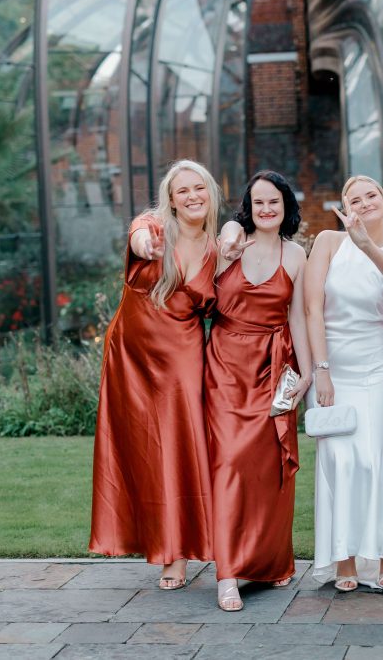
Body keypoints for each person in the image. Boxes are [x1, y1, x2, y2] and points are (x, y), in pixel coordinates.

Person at [89, 159, 220, 589]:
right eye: (183, 191)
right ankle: (144, 537)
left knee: (177, 448)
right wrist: (147, 246)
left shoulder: (219, 248)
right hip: (130, 357)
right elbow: (139, 238)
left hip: (180, 357)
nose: (192, 196)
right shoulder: (153, 227)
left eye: (198, 187)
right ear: (171, 200)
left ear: (210, 192)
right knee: (138, 451)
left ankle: (175, 554)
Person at [304, 175, 383, 591]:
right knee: (339, 462)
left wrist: (367, 243)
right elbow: (313, 308)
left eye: (371, 196)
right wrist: (321, 370)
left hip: (375, 369)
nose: (364, 203)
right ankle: (345, 562)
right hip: (332, 367)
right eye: (355, 199)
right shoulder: (328, 243)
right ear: (345, 207)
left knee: (373, 458)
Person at [206, 170, 312, 611]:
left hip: (275, 365)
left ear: (286, 206)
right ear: (248, 208)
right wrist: (227, 243)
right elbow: (203, 292)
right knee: (230, 462)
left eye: (274, 202)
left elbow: (298, 317)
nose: (266, 209)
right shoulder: (230, 243)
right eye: (258, 202)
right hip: (225, 366)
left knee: (271, 469)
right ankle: (228, 574)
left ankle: (270, 562)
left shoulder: (296, 254)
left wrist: (307, 372)